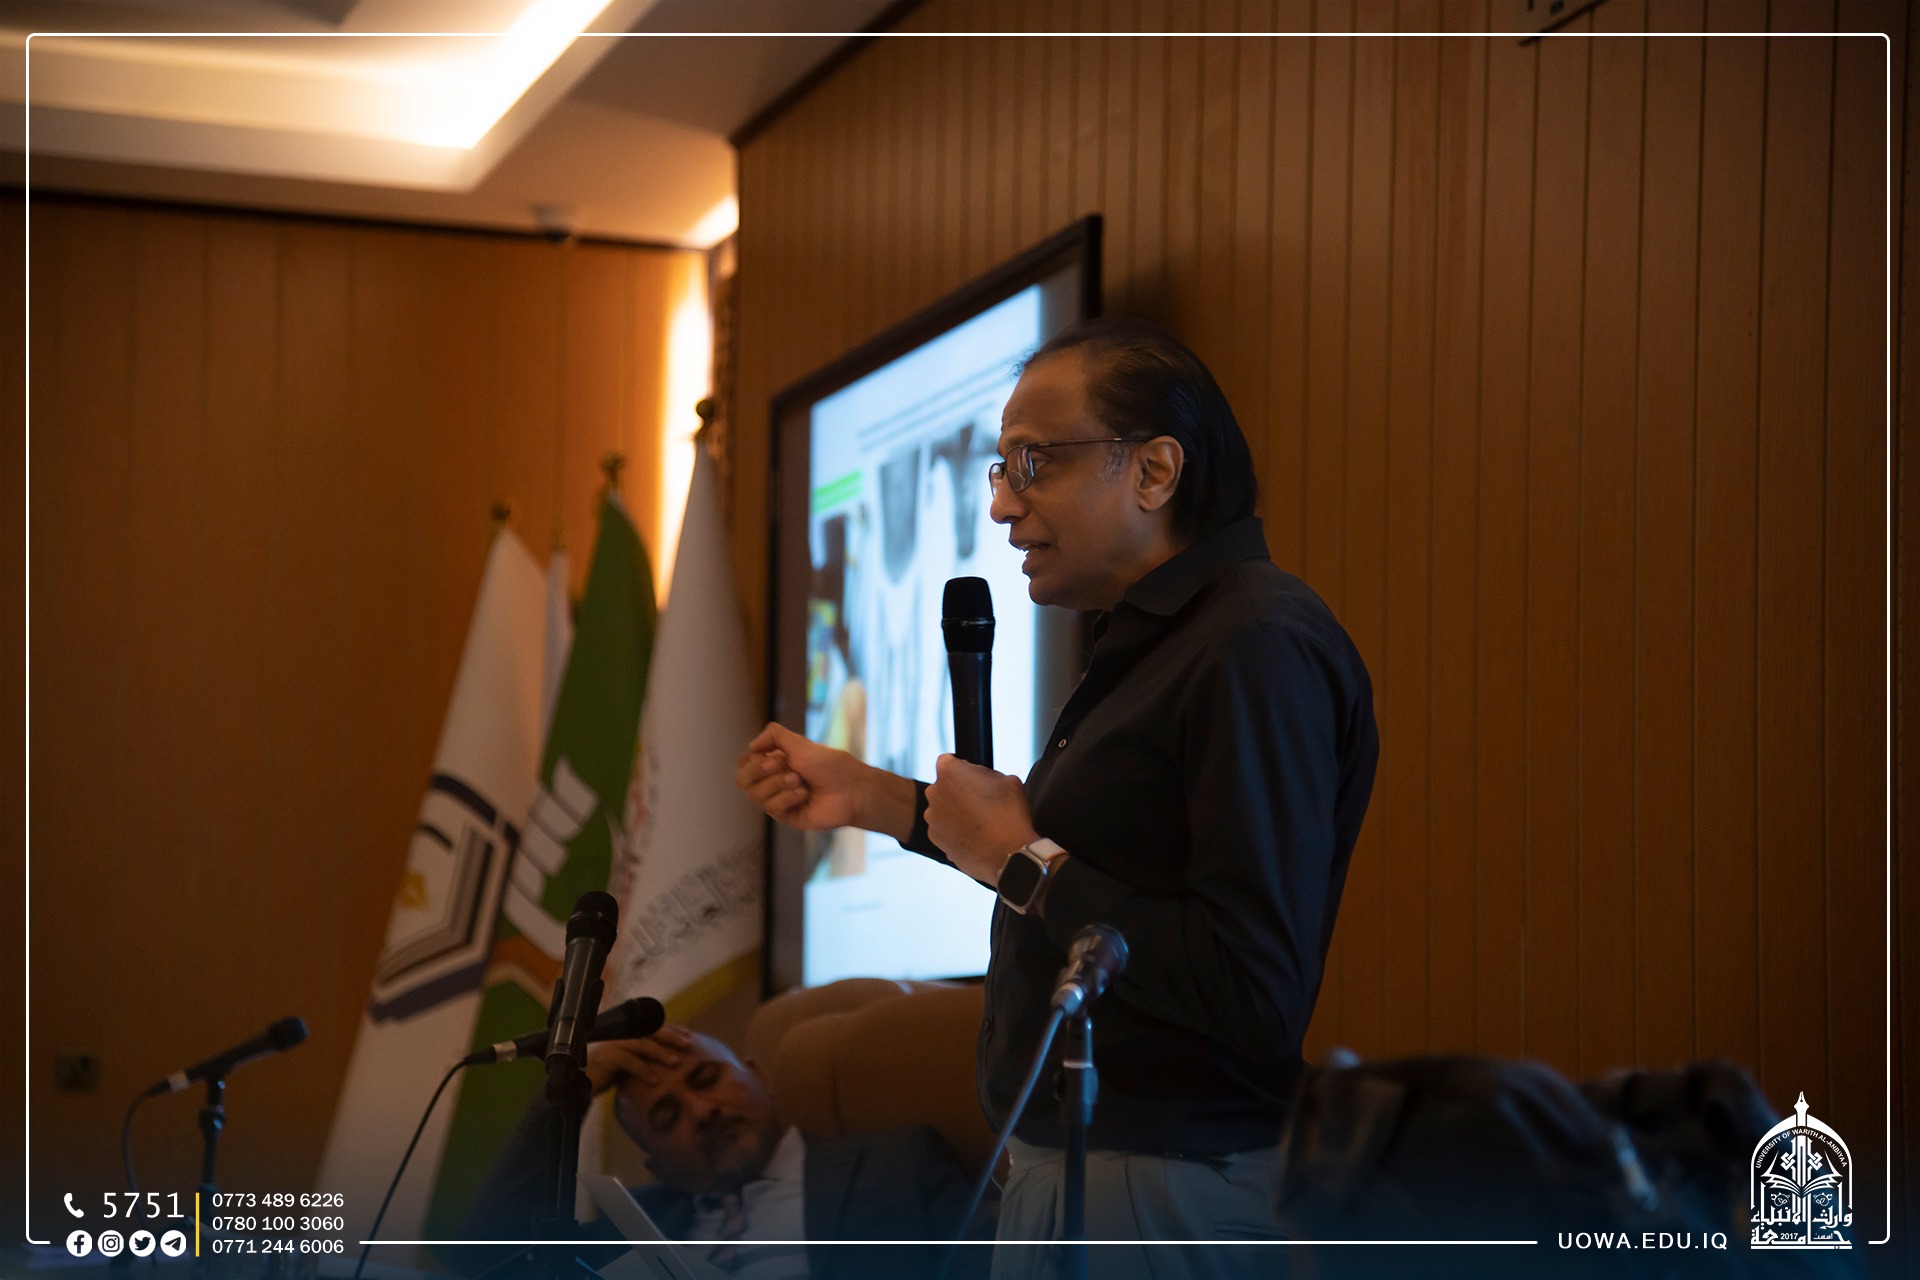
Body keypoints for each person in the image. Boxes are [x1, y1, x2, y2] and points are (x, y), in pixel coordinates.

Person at [737, 316, 1379, 1278]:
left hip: (1163, 1187)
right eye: (1000, 469)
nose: (1003, 504)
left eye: (1034, 463)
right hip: (1080, 1172)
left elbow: (1253, 989)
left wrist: (1023, 862)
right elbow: (1073, 867)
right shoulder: (1157, 643)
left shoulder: (1254, 642)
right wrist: (875, 800)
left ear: (1154, 472)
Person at [461, 1025, 990, 1280]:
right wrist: (567, 1099)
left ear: (759, 1077)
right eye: (667, 1117)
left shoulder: (896, 1163)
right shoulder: (630, 1226)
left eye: (707, 1079)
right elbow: (484, 1256)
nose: (701, 1112)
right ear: (658, 1165)